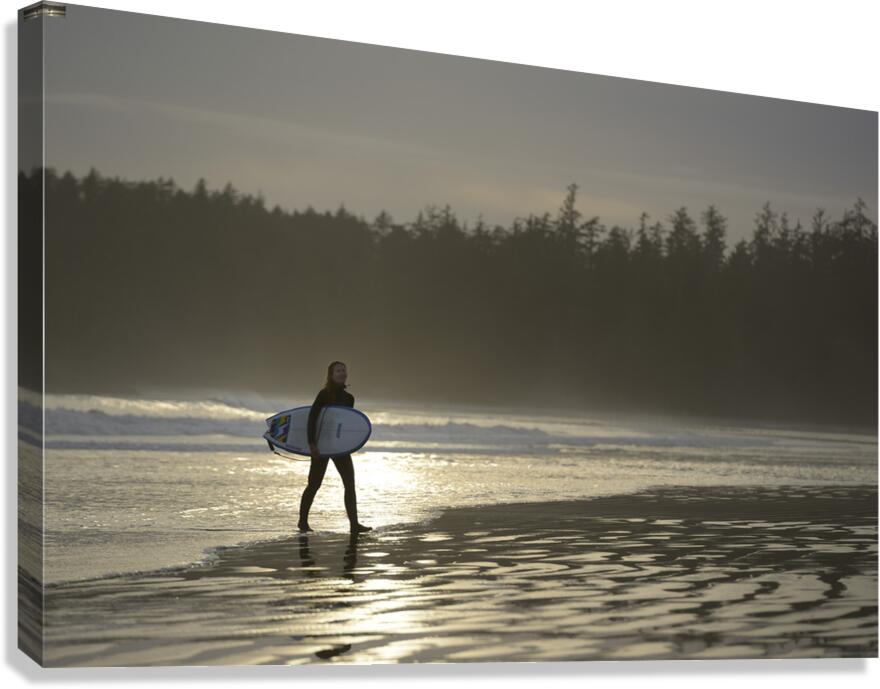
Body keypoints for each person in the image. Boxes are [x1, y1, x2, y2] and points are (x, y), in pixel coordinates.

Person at [298, 361, 372, 534]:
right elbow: (312, 418)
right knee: (314, 485)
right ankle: (302, 522)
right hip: (321, 446)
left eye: (344, 370)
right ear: (331, 375)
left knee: (349, 484)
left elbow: (345, 425)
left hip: (339, 448)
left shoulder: (349, 398)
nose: (342, 373)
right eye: (338, 371)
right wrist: (312, 444)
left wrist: (348, 445)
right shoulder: (324, 395)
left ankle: (354, 524)